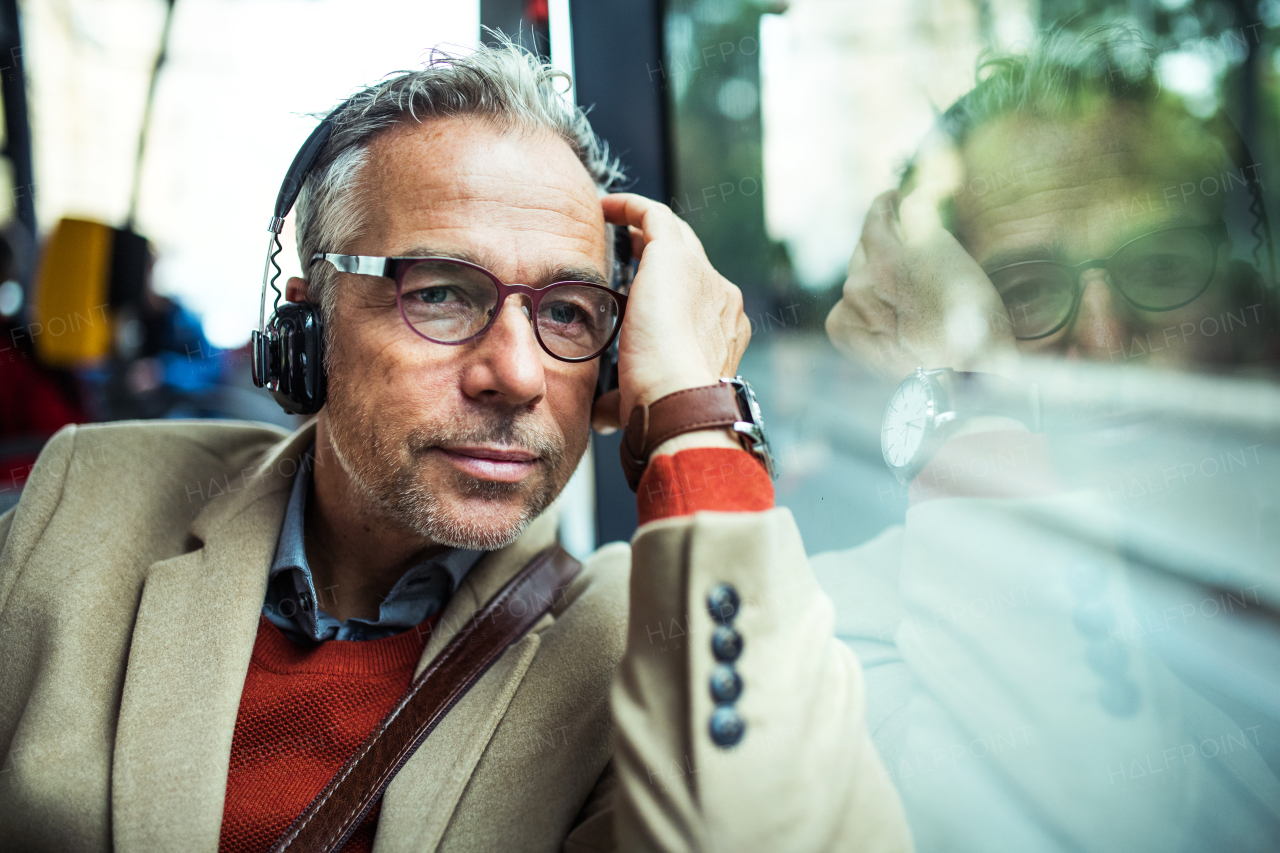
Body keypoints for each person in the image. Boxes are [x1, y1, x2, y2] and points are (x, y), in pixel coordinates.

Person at [0, 42, 910, 852]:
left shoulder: (645, 640)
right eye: (439, 293)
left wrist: (692, 413)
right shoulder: (86, 500)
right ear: (305, 327)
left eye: (566, 311)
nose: (516, 374)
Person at [818, 26, 1280, 853]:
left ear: (1251, 293)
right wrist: (960, 390)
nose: (1103, 338)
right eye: (1024, 294)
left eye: (1164, 268)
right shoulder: (843, 631)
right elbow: (1108, 821)